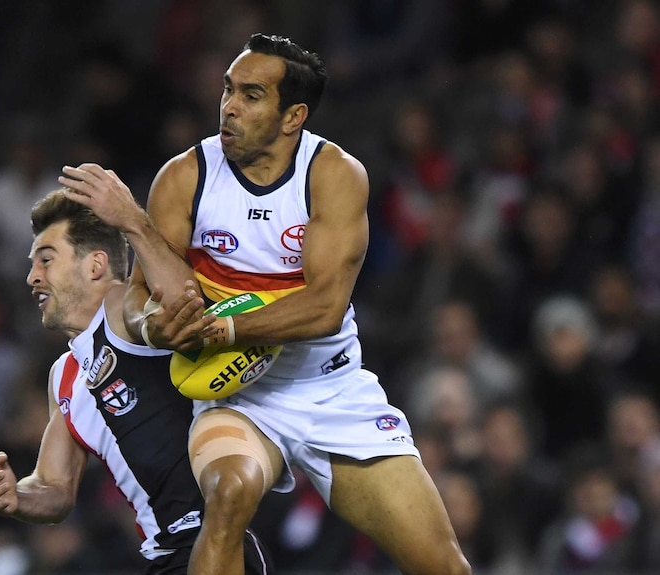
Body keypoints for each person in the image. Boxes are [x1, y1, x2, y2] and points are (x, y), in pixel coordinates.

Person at [59, 33, 471, 575]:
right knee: (228, 494)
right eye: (228, 89)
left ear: (292, 115)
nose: (229, 106)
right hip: (237, 397)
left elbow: (323, 309)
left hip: (329, 389)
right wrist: (155, 327)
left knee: (443, 566)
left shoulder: (335, 176)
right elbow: (137, 298)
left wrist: (221, 331)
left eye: (251, 95)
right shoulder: (185, 176)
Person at [0, 190, 272, 574]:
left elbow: (182, 300)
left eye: (46, 260)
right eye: (33, 265)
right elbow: (55, 488)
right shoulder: (63, 374)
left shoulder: (124, 309)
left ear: (96, 264)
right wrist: (16, 494)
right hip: (165, 555)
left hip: (219, 538)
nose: (33, 277)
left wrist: (132, 220)